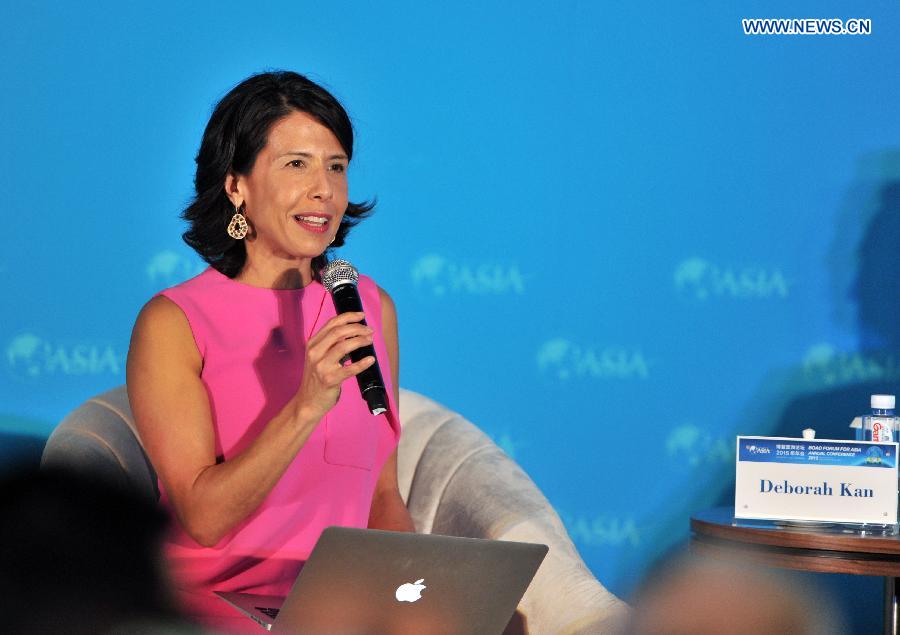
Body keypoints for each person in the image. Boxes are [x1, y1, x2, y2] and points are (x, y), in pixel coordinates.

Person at [126, 70, 415, 631]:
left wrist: (409, 596)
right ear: (237, 186)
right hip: (215, 608)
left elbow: (383, 497)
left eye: (336, 166)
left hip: (337, 607)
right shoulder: (173, 322)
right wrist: (306, 406)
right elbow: (205, 520)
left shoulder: (370, 306)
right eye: (296, 164)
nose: (324, 189)